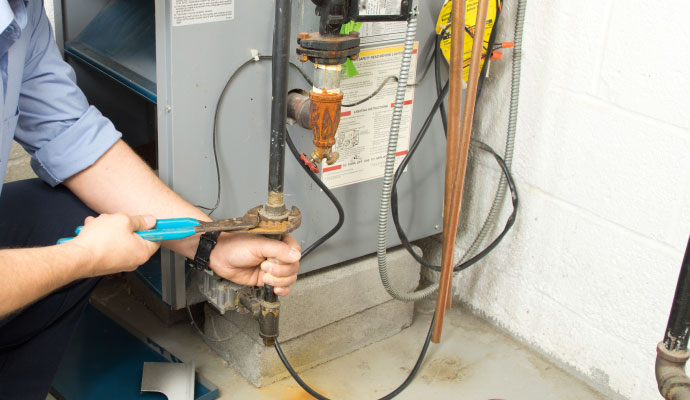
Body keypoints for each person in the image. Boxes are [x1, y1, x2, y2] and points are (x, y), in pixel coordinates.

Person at [0, 1, 301, 398]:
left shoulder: (22, 14)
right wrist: (82, 257)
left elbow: (70, 135)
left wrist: (211, 245)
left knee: (63, 213)